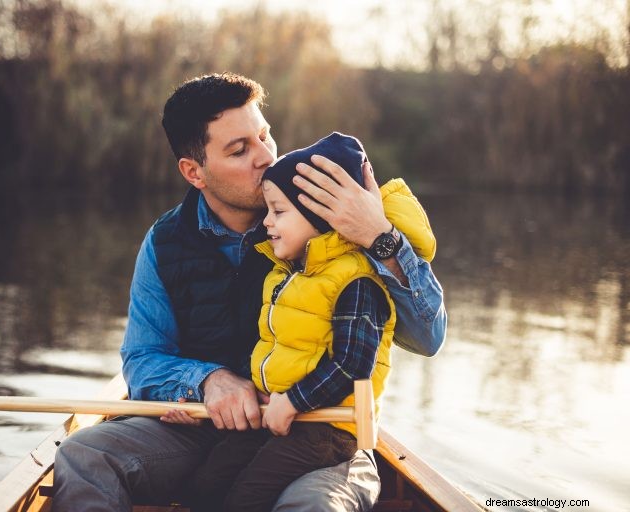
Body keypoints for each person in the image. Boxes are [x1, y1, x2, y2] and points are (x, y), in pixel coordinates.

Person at [52, 72, 446, 512]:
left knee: (315, 507)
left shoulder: (333, 218)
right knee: (83, 455)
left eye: (264, 135)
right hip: (200, 435)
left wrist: (380, 236)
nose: (265, 156)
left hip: (320, 433)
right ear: (193, 171)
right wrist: (205, 381)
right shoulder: (164, 243)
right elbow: (142, 362)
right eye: (239, 150)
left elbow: (427, 339)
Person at [190, 132, 437, 512]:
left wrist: (292, 400)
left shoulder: (356, 281)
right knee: (207, 486)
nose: (267, 222)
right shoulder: (289, 272)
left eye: (279, 212)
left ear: (320, 218)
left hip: (327, 429)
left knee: (245, 499)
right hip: (283, 415)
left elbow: (353, 365)